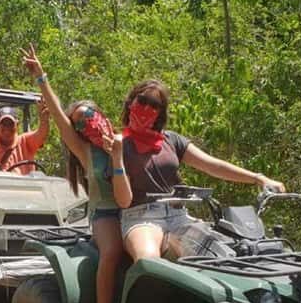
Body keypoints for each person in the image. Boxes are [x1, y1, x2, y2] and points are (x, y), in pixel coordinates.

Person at [111, 80, 286, 262]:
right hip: (141, 218)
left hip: (179, 216)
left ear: (160, 113)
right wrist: (116, 156)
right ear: (131, 102)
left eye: (154, 105)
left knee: (227, 254)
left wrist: (259, 178)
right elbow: (123, 201)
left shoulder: (171, 140)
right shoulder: (118, 143)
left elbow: (212, 165)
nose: (147, 108)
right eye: (142, 101)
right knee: (148, 261)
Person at [22, 44, 122, 303]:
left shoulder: (124, 141)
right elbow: (58, 115)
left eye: (89, 115)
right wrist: (41, 77)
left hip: (137, 211)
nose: (85, 123)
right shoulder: (85, 152)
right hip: (106, 215)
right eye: (79, 122)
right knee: (111, 253)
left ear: (101, 114)